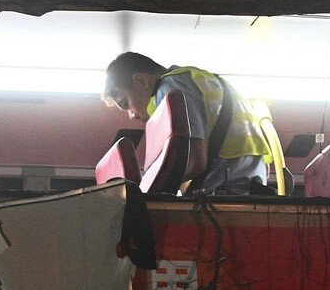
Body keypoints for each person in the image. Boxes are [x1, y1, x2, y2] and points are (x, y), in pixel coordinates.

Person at [102, 52, 274, 195]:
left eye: (125, 103)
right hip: (248, 189)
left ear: (141, 81)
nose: (131, 115)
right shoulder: (202, 80)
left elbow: (195, 161)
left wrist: (146, 191)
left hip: (224, 194)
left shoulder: (169, 89)